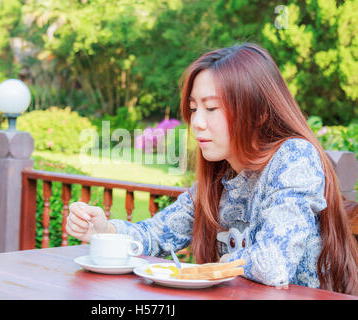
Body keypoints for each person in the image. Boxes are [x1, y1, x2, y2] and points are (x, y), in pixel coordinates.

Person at [66, 43, 358, 295]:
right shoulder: (222, 176)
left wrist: (212, 268)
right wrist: (104, 230)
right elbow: (157, 233)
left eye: (212, 108)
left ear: (258, 112)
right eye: (194, 109)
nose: (197, 123)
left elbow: (273, 264)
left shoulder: (294, 157)